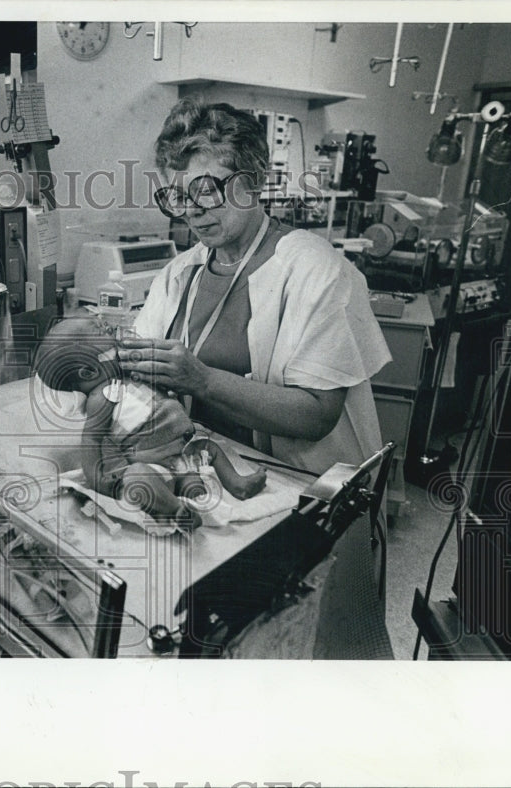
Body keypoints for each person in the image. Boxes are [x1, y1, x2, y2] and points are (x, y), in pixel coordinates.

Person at [119, 98, 393, 657]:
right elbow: (147, 366)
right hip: (220, 492)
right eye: (176, 194)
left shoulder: (314, 268)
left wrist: (201, 380)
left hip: (306, 506)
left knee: (309, 657)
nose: (191, 210)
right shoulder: (183, 271)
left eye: (206, 190)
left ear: (254, 179)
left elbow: (316, 414)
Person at [33, 317, 267, 529]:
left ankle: (236, 484)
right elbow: (91, 438)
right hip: (154, 463)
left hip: (184, 451)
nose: (110, 327)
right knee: (137, 475)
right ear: (88, 372)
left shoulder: (132, 372)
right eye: (102, 330)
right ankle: (175, 509)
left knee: (210, 447)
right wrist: (97, 479)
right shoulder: (102, 397)